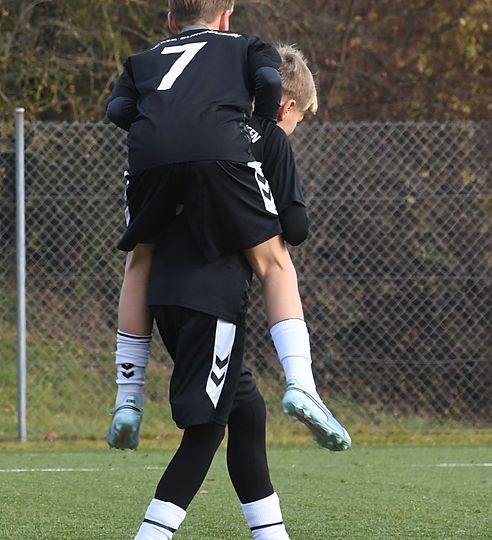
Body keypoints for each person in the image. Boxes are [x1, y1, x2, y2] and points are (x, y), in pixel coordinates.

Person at [104, 0, 347, 452]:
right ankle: (301, 384)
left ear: (171, 20)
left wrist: (160, 123)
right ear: (225, 16)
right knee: (275, 263)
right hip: (221, 149)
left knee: (139, 261)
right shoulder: (245, 46)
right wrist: (260, 127)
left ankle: (127, 400)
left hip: (150, 156)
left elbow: (117, 110)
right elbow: (268, 82)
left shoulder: (142, 60)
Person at [131, 44, 341, 540]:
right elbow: (295, 228)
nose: (293, 128)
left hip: (166, 292)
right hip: (212, 298)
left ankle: (271, 533)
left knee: (247, 411)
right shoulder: (261, 138)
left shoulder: (194, 132)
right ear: (286, 106)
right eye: (299, 119)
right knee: (206, 429)